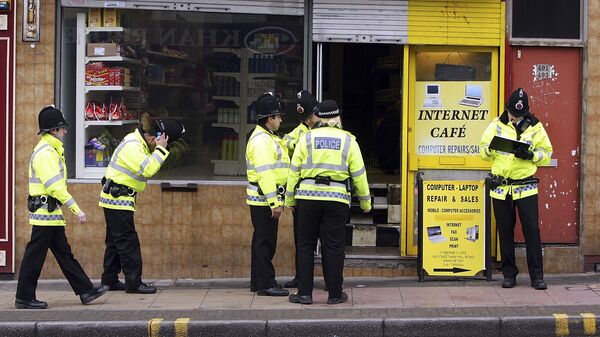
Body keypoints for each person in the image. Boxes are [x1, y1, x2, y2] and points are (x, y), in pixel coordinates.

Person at [16, 106, 109, 309]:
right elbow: (55, 187)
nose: (65, 131)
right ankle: (24, 297)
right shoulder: (46, 153)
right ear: (53, 131)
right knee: (35, 257)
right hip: (44, 215)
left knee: (64, 254)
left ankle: (85, 290)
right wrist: (76, 209)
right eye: (62, 128)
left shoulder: (51, 150)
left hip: (50, 214)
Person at [285, 100, 371, 305]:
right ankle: (334, 294)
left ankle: (304, 294)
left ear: (319, 117)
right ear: (337, 117)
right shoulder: (348, 140)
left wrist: (289, 200)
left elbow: (293, 172)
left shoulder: (306, 138)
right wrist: (366, 204)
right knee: (333, 247)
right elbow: (359, 175)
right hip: (337, 199)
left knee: (305, 246)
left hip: (307, 198)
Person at [99, 114, 185, 294]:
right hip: (118, 200)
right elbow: (148, 169)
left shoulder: (137, 141)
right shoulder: (134, 146)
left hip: (116, 199)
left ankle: (109, 280)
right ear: (155, 138)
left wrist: (160, 148)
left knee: (115, 241)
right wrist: (161, 150)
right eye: (160, 143)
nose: (158, 147)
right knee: (128, 242)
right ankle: (133, 283)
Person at [479, 88, 553, 290]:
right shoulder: (496, 125)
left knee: (531, 231)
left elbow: (547, 153)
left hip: (525, 186)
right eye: (513, 114)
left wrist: (531, 155)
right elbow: (482, 153)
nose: (515, 118)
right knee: (505, 231)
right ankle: (509, 274)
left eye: (519, 115)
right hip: (501, 187)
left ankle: (537, 276)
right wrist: (493, 147)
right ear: (507, 109)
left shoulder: (535, 127)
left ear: (526, 111)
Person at [246, 93, 290, 297]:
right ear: (268, 119)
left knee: (261, 241)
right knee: (266, 243)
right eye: (278, 116)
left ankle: (258, 282)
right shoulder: (262, 141)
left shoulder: (268, 137)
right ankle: (266, 284)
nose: (280, 120)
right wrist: (274, 203)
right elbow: (266, 174)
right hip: (264, 200)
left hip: (262, 199)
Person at [280, 90, 320, 289]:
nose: (309, 121)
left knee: (329, 242)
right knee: (302, 240)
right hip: (304, 193)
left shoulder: (330, 126)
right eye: (306, 118)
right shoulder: (302, 128)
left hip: (325, 192)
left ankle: (332, 281)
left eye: (310, 117)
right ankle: (302, 278)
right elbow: (285, 142)